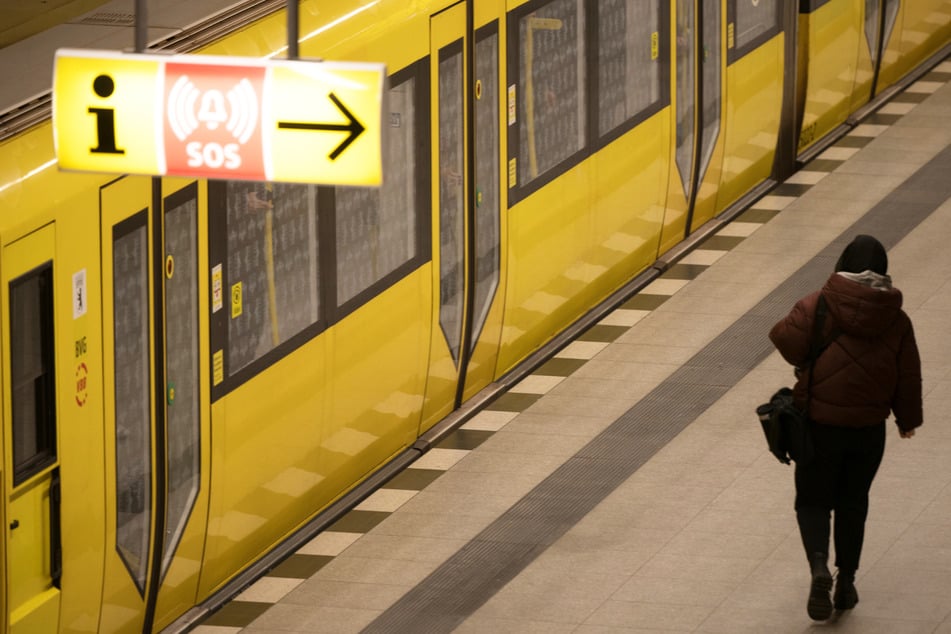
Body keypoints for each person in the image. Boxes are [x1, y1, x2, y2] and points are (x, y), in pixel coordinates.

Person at [769, 234, 922, 621]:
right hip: (869, 429)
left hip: (819, 424)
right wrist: (907, 421)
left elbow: (783, 340)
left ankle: (819, 566)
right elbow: (908, 375)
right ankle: (847, 581)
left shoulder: (817, 304)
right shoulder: (897, 319)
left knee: (814, 499)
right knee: (853, 503)